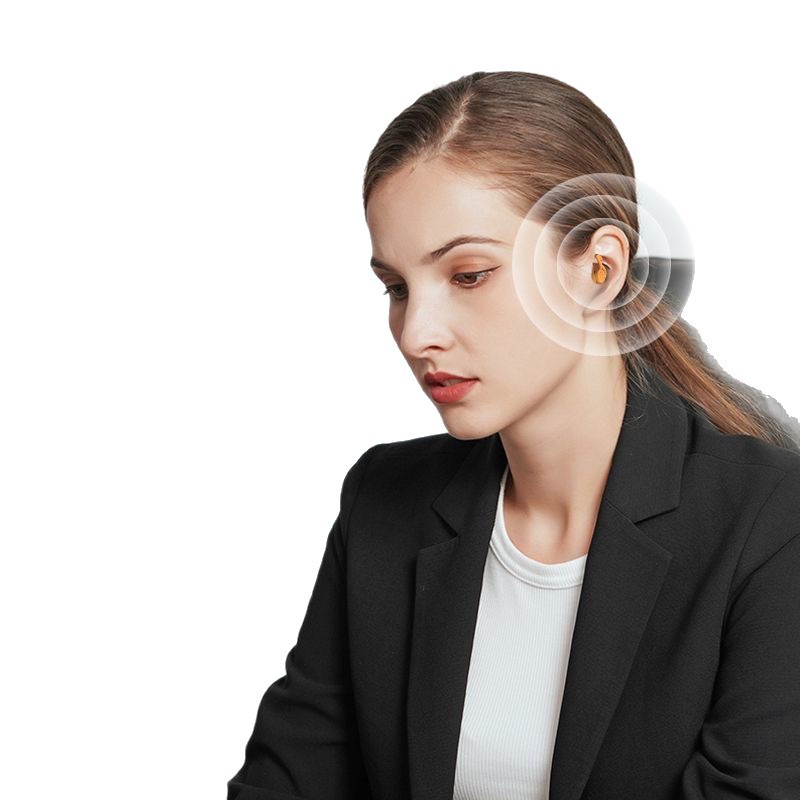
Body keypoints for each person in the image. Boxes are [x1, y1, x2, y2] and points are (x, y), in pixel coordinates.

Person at [226, 71, 800, 800]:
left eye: (468, 275)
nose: (416, 333)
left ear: (599, 269)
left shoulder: (772, 523)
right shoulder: (383, 504)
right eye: (396, 288)